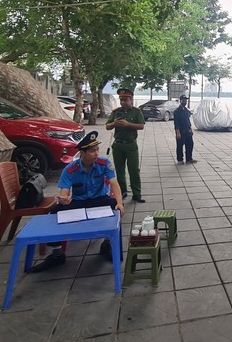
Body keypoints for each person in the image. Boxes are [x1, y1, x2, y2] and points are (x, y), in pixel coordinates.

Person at [29, 131, 125, 272]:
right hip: (80, 202)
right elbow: (64, 192)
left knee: (114, 207)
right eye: (92, 151)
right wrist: (64, 200)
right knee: (55, 211)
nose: (97, 153)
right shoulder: (70, 169)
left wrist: (120, 203)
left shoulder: (104, 164)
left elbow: (114, 184)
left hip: (99, 200)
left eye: (97, 150)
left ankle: (107, 244)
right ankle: (57, 254)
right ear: (82, 153)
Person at [106, 88, 146, 203]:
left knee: (134, 170)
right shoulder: (116, 112)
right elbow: (107, 126)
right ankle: (122, 191)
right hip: (118, 145)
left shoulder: (136, 112)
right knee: (119, 170)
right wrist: (114, 123)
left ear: (131, 99)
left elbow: (141, 126)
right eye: (121, 100)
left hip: (131, 145)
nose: (123, 102)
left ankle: (136, 193)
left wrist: (128, 124)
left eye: (125, 100)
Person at [173, 94, 196, 164]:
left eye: (186, 100)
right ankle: (180, 159)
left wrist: (191, 129)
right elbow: (176, 123)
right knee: (180, 146)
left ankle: (189, 159)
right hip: (181, 131)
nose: (185, 101)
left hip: (187, 131)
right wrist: (177, 132)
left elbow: (188, 121)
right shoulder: (177, 111)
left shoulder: (186, 110)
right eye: (183, 100)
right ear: (181, 101)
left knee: (190, 144)